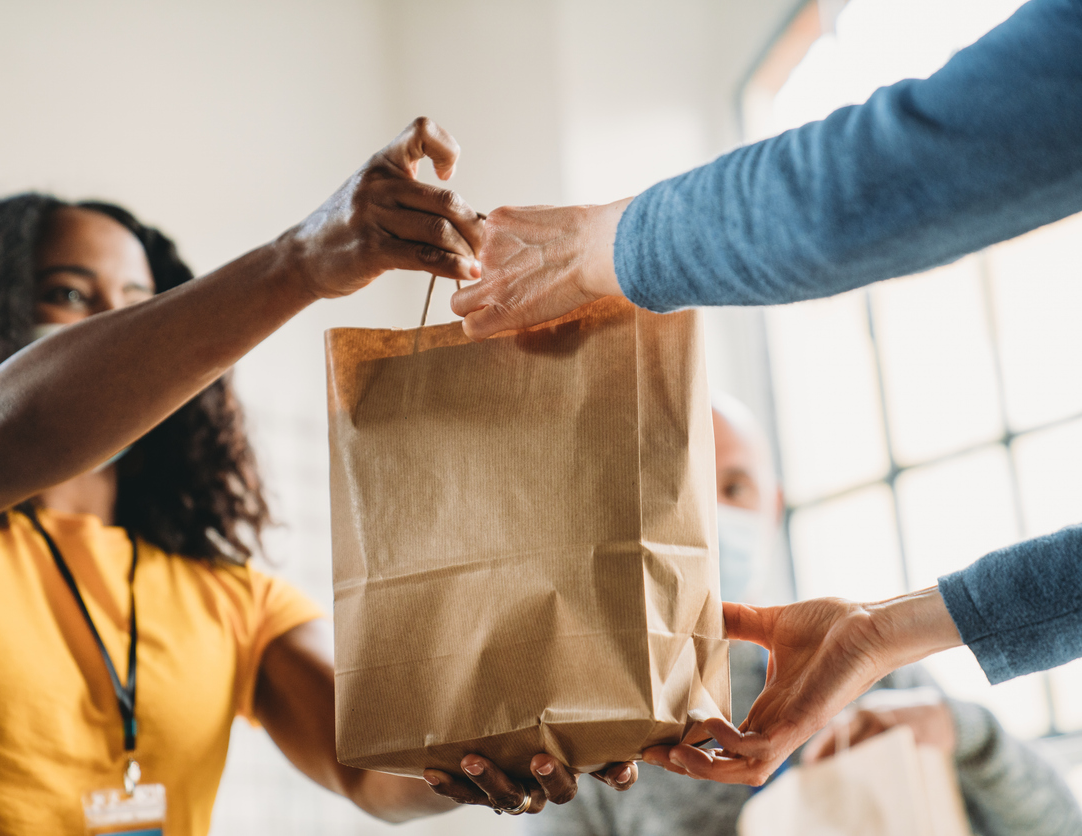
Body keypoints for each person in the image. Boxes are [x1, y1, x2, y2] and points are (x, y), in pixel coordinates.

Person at [0, 118, 634, 835]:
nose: (118, 322)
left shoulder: (229, 596)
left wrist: (518, 740)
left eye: (142, 299)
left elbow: (367, 762)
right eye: (69, 295)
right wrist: (299, 263)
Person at [446, 0, 1082, 785]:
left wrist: (599, 247)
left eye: (734, 483)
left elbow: (890, 174)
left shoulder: (911, 698)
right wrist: (880, 632)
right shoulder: (577, 698)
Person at [526, 395, 1082, 836]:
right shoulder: (593, 735)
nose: (714, 516)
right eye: (684, 490)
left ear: (775, 503)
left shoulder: (870, 677)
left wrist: (966, 733)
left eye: (735, 487)